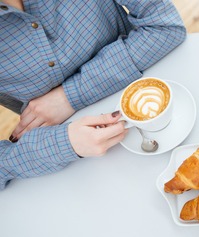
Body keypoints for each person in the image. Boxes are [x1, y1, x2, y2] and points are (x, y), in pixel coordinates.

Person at [0, 0, 186, 190]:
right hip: (74, 160)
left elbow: (165, 26)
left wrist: (69, 96)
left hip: (153, 79)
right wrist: (63, 144)